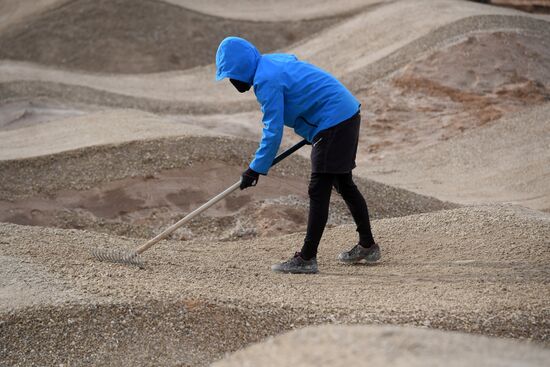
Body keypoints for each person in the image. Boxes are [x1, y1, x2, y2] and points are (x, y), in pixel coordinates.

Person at [215, 36, 380, 274]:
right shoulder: (271, 63)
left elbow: (273, 132)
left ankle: (307, 258)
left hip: (333, 120)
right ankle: (368, 245)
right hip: (343, 114)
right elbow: (303, 88)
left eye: (231, 75)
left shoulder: (266, 80)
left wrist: (255, 168)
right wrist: (313, 123)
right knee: (343, 182)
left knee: (318, 189)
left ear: (242, 68)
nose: (232, 81)